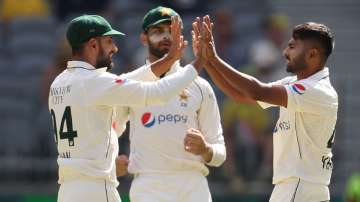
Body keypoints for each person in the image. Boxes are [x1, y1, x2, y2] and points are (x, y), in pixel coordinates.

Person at [49, 14, 202, 202]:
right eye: (109, 41)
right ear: (93, 44)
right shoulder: (95, 82)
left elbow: (128, 80)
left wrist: (170, 59)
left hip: (68, 191)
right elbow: (158, 93)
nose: (115, 48)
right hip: (97, 189)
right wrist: (200, 62)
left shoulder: (59, 82)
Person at [195, 16, 338, 201]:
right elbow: (242, 96)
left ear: (312, 54)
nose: (285, 52)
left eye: (293, 47)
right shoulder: (297, 84)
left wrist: (214, 57)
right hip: (296, 186)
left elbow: (256, 91)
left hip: (300, 187)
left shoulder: (315, 90)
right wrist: (207, 62)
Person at [116, 7, 226, 202]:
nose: (166, 37)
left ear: (181, 37)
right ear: (143, 38)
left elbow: (220, 153)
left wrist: (206, 150)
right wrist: (109, 163)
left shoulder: (200, 86)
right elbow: (108, 130)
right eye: (158, 31)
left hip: (193, 186)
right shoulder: (131, 84)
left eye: (171, 31)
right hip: (149, 185)